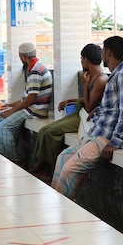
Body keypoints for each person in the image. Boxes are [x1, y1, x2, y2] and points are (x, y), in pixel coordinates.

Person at [52, 37, 123, 196]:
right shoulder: (115, 75)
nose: (101, 55)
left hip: (105, 137)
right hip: (96, 132)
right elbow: (114, 107)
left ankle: (61, 208)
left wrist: (116, 142)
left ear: (108, 52)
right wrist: (99, 110)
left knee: (69, 170)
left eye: (103, 51)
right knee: (62, 159)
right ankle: (58, 202)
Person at [33, 43, 108, 178]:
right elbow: (87, 99)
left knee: (50, 132)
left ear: (86, 59)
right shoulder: (92, 76)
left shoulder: (100, 80)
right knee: (44, 129)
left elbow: (90, 106)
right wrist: (71, 101)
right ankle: (41, 163)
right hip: (80, 113)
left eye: (81, 59)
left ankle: (48, 169)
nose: (81, 62)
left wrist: (85, 85)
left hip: (87, 119)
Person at [0, 42, 52, 161]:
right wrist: (11, 105)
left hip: (35, 111)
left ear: (23, 57)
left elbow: (31, 99)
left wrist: (12, 111)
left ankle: (13, 159)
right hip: (31, 107)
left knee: (3, 127)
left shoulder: (35, 71)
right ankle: (0, 157)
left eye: (20, 57)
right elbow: (29, 97)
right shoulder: (36, 67)